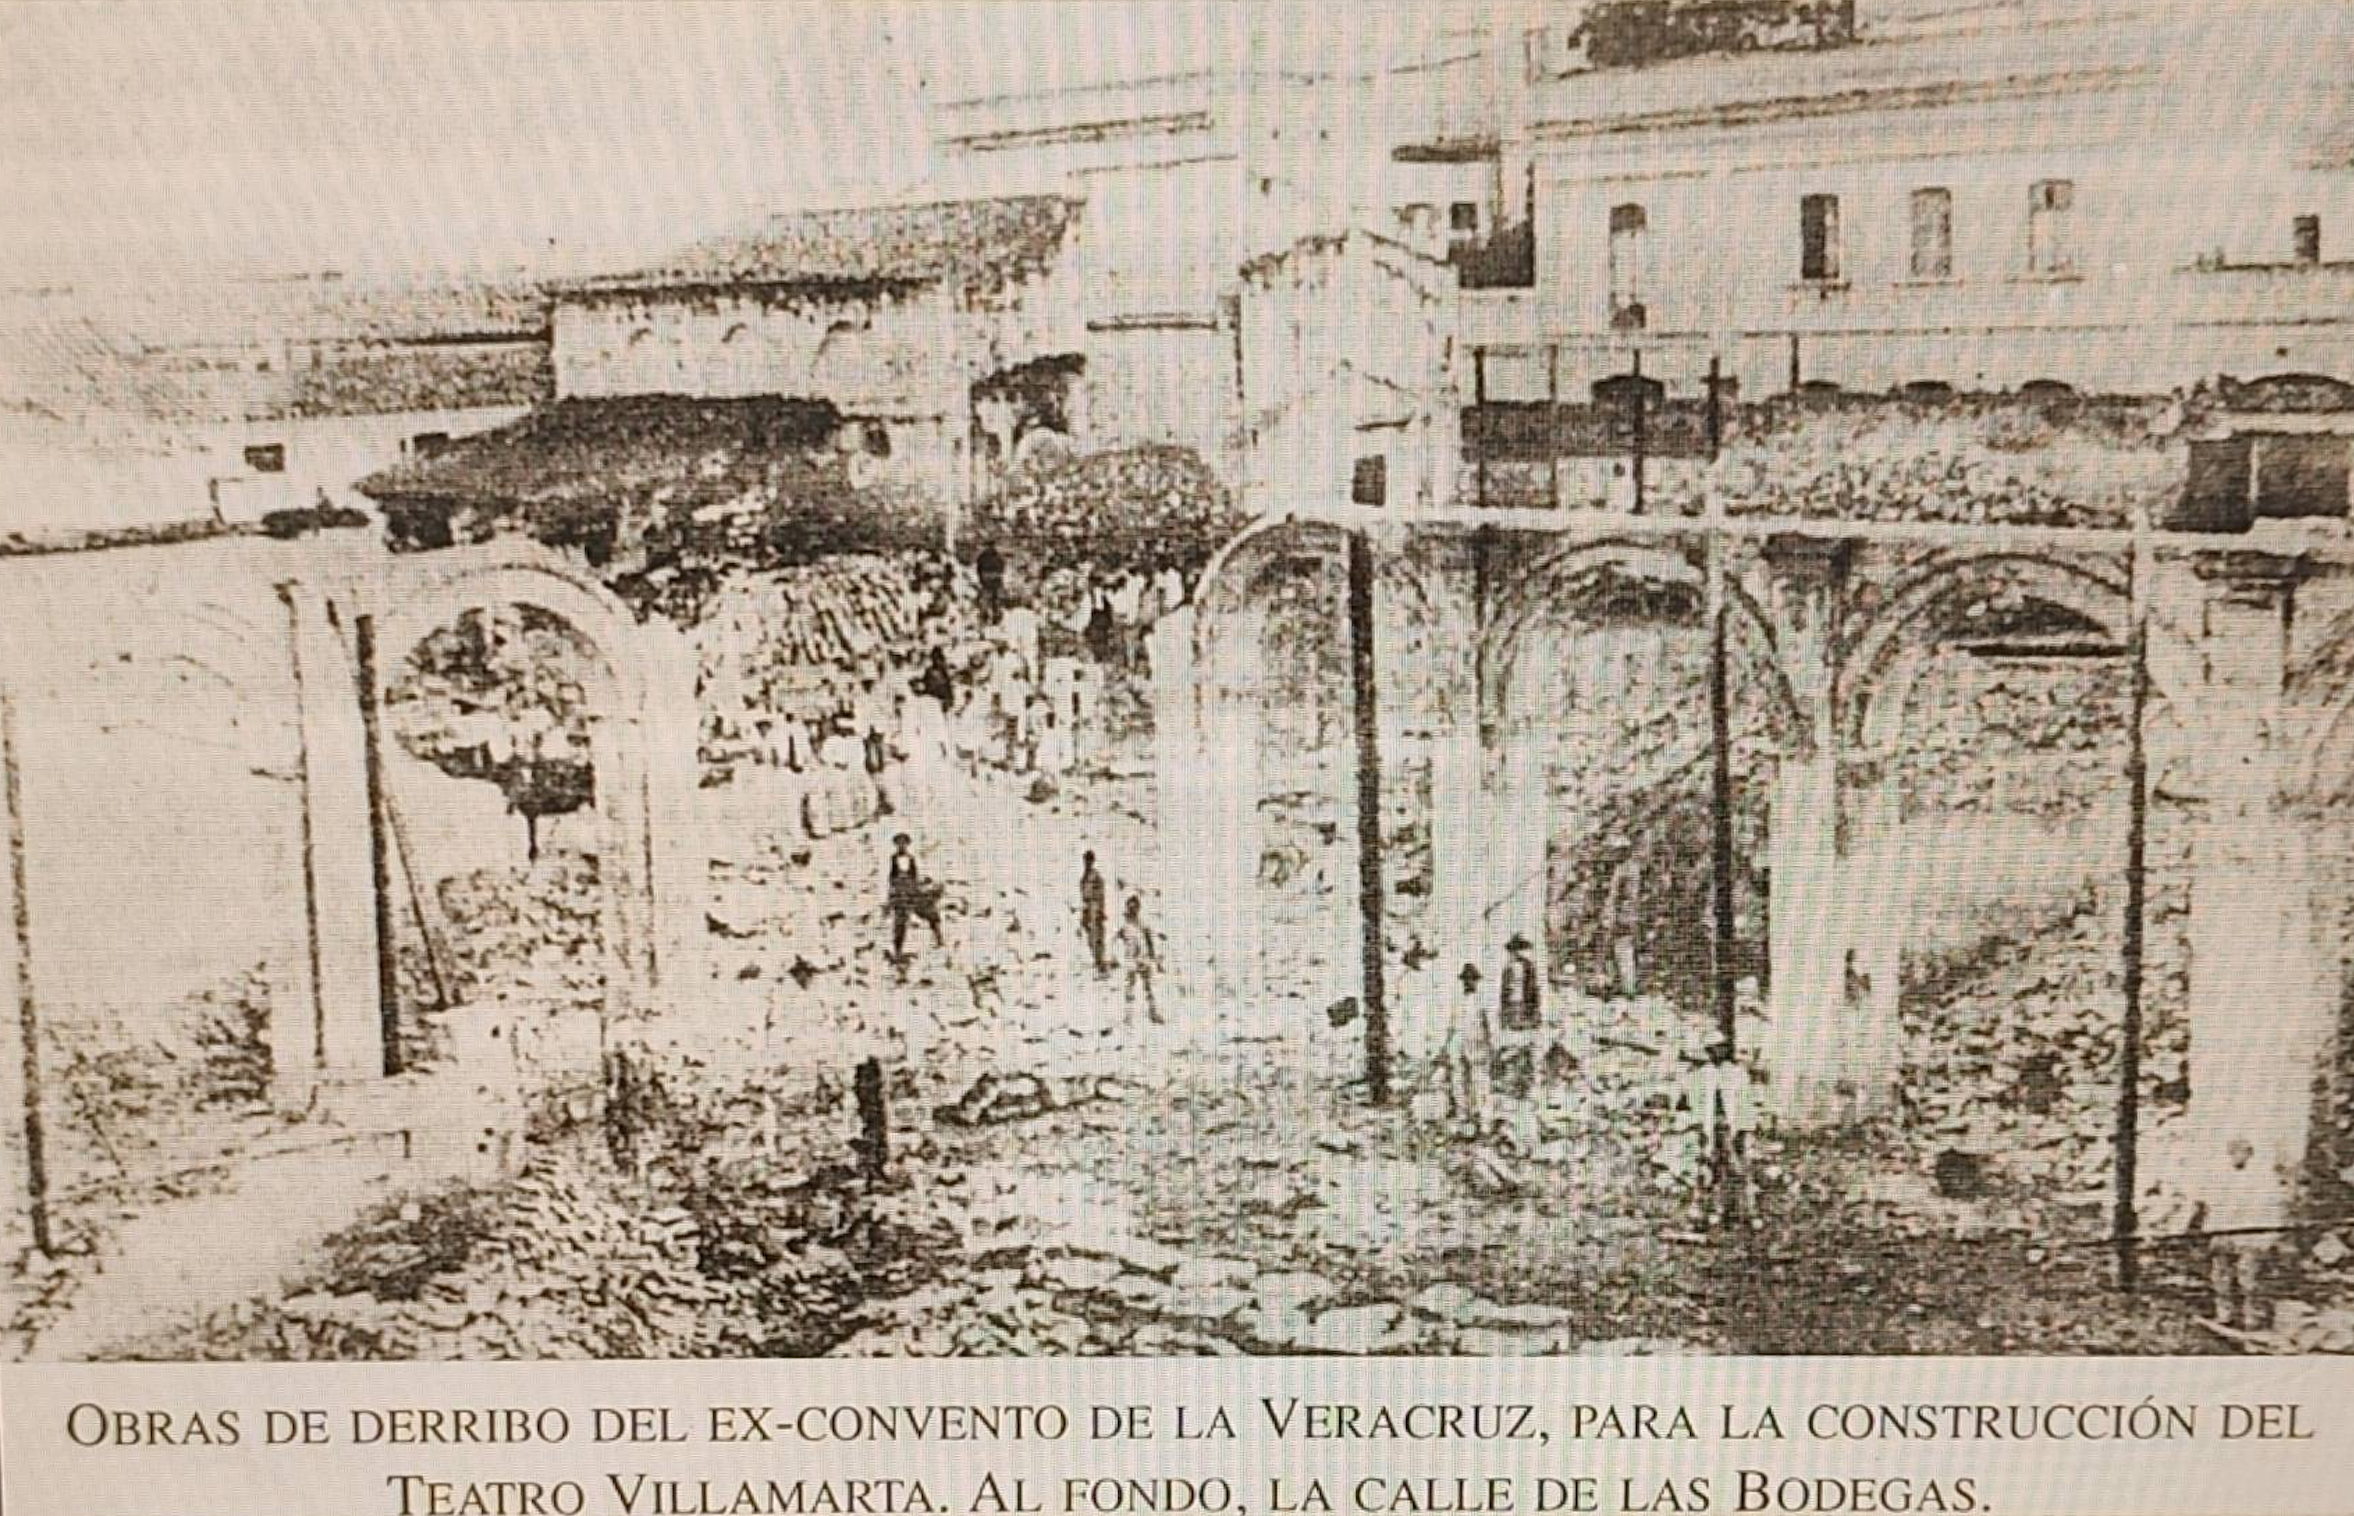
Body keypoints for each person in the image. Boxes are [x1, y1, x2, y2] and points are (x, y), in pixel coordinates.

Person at [2201, 1136, 2286, 1332]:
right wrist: (2213, 1232)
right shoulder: (2221, 1176)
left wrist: (2266, 1237)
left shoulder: (2263, 1178)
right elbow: (2214, 1206)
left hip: (2250, 1234)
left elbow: (2271, 1208)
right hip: (2225, 1232)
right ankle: (2224, 1314)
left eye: (2241, 1151)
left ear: (2249, 1153)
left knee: (2248, 1277)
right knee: (2221, 1275)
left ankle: (2251, 1317)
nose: (2237, 1156)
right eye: (2233, 1152)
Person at [1686, 1035, 1757, 1225]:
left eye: (1720, 1048)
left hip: (1732, 1127)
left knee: (1738, 1169)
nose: (1716, 1052)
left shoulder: (1737, 1073)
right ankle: (1712, 1209)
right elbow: (1696, 1103)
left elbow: (1746, 1103)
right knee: (1711, 1170)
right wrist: (1700, 1128)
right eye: (1712, 1049)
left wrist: (1744, 1130)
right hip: (1711, 1128)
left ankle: (1748, 1211)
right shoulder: (1703, 1074)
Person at [1438, 962, 1495, 1131]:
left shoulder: (1482, 1000)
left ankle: (1483, 1120)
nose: (1469, 983)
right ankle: (1463, 1115)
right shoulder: (1458, 1000)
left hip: (1477, 1043)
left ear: (1476, 981)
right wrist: (1446, 1045)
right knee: (1458, 1080)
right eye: (1466, 980)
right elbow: (1452, 1025)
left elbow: (1487, 1025)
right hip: (1459, 1043)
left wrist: (1490, 1045)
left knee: (1480, 1082)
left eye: (1472, 980)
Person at [886, 832, 945, 972]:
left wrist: (920, 888)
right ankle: (898, 951)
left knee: (930, 912)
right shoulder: (891, 860)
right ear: (896, 844)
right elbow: (889, 881)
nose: (902, 845)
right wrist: (891, 897)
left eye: (904, 842)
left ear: (907, 844)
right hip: (900, 895)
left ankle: (939, 938)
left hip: (913, 893)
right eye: (899, 842)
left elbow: (918, 877)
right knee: (900, 924)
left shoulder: (912, 858)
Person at [1116, 894, 1163, 1024]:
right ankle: (1128, 1017)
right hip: (1131, 960)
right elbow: (1115, 940)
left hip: (1143, 959)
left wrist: (1154, 960)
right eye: (1130, 907)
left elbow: (1150, 941)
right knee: (1130, 989)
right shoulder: (1124, 925)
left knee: (1149, 988)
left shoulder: (1143, 924)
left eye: (1135, 907)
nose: (1132, 909)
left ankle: (1153, 1013)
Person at [1078, 851, 1109, 976]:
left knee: (1097, 937)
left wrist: (1100, 910)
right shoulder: (1084, 877)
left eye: (1089, 860)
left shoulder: (1096, 877)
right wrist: (1084, 912)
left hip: (1095, 907)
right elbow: (1083, 896)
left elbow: (1101, 895)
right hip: (1088, 907)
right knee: (1090, 937)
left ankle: (1100, 963)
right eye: (1086, 860)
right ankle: (1098, 961)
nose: (1087, 863)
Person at [976, 542, 1006, 625]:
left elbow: (1002, 569)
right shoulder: (983, 557)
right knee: (987, 600)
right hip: (989, 580)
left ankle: (994, 617)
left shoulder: (997, 557)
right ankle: (986, 617)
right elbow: (979, 569)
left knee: (994, 600)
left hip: (993, 580)